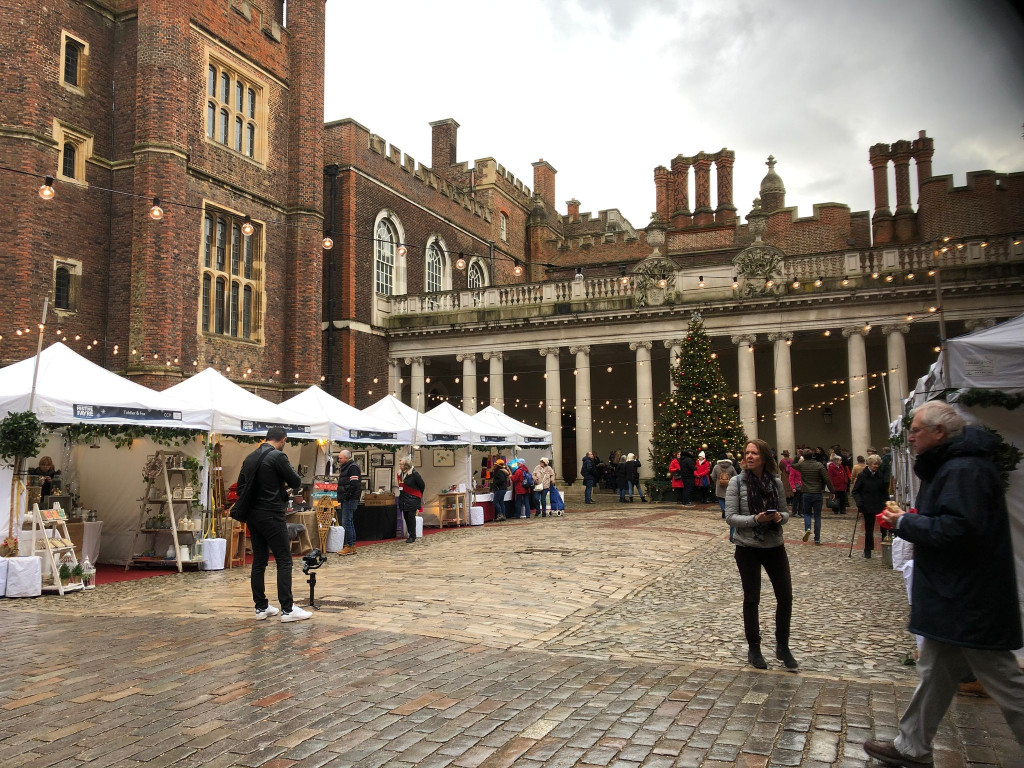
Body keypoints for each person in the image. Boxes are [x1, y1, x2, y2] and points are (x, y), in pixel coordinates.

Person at [864, 401, 1024, 767]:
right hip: (956, 595)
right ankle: (912, 746)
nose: (912, 436)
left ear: (940, 432)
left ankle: (912, 746)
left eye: (917, 429)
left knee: (1005, 683)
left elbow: (958, 530)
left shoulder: (963, 469)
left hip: (968, 598)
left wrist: (906, 523)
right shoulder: (959, 466)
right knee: (935, 671)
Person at [725, 439, 796, 671]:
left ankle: (782, 646)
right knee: (752, 598)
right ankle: (754, 648)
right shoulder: (736, 482)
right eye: (747, 453)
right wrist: (755, 519)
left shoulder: (775, 482)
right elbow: (730, 517)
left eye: (755, 453)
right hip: (747, 547)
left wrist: (778, 518)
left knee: (785, 596)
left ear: (764, 457)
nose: (750, 456)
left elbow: (786, 512)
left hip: (774, 545)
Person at [236, 427, 311, 623]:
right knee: (284, 559)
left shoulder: (250, 457)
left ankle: (261, 607)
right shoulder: (278, 456)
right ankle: (287, 609)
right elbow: (295, 481)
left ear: (266, 438)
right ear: (283, 439)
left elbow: (240, 486)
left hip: (253, 515)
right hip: (272, 513)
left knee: (259, 560)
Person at [851, 454, 886, 558]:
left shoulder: (880, 475)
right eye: (875, 464)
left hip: (879, 504)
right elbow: (855, 491)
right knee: (869, 529)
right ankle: (868, 549)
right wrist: (859, 502)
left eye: (878, 464)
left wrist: (886, 501)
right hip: (867, 504)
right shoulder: (863, 475)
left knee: (884, 528)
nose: (877, 466)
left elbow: (883, 491)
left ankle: (885, 548)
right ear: (869, 464)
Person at [799, 449, 833, 544]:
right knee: (817, 516)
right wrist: (832, 491)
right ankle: (817, 538)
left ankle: (808, 529)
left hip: (806, 493)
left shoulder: (802, 465)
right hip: (817, 493)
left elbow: (793, 465)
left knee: (807, 513)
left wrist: (799, 457)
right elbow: (827, 479)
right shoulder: (819, 465)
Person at [334, 449, 361, 556]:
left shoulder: (352, 467)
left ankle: (349, 546)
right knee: (349, 522)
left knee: (346, 522)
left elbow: (354, 484)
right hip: (348, 498)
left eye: (340, 458)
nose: (339, 460)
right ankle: (352, 545)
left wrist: (347, 496)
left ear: (346, 457)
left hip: (349, 499)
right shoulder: (347, 467)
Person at [397, 456, 424, 542]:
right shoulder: (400, 474)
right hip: (404, 499)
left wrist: (418, 495)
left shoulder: (414, 474)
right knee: (406, 517)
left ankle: (412, 536)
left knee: (411, 517)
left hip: (413, 499)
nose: (399, 465)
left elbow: (422, 485)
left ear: (406, 465)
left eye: (401, 464)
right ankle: (410, 534)